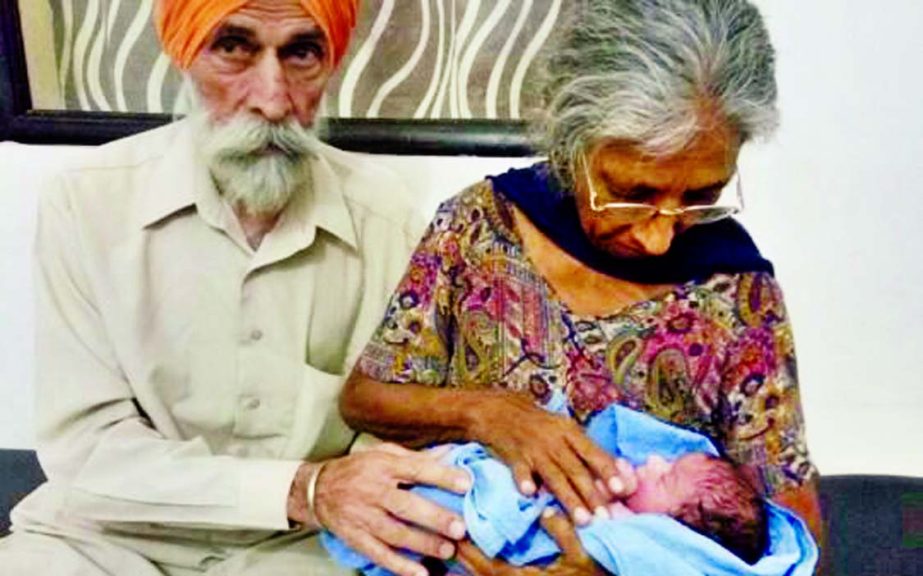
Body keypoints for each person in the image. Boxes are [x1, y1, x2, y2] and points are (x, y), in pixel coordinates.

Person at [339, 0, 823, 573]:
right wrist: (486, 412)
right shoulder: (478, 229)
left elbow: (793, 535)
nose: (660, 238)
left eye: (700, 197)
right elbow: (365, 399)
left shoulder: (737, 293)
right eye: (633, 193)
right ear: (573, 144)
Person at [0, 2, 475, 576]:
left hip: (297, 548)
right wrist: (302, 487)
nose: (272, 100)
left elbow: (390, 432)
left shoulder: (387, 219)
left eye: (301, 53)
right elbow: (89, 450)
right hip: (102, 538)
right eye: (234, 48)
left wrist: (337, 494)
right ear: (185, 53)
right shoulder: (87, 202)